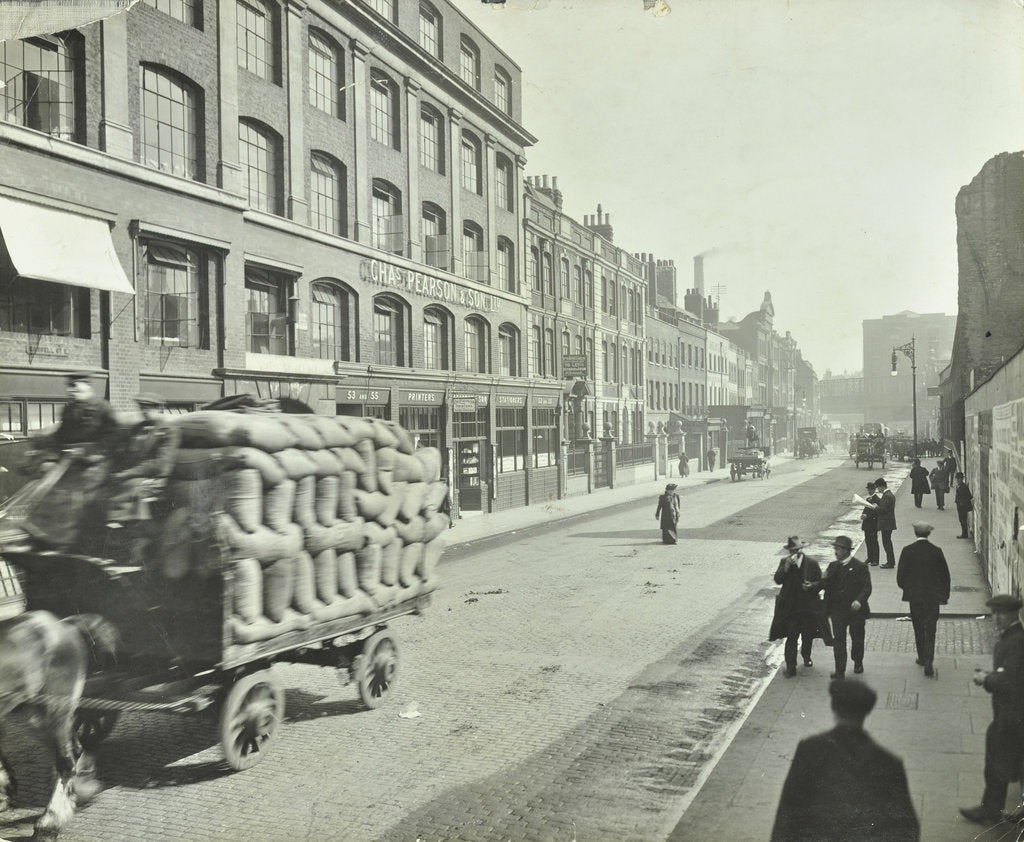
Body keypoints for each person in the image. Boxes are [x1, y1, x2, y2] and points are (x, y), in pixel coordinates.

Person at [771, 679, 919, 842]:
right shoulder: (889, 763)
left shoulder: (810, 750)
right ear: (866, 712)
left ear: (833, 706)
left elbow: (787, 812)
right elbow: (906, 827)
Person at [960, 594, 1024, 825]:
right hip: (1009, 714)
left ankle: (990, 811)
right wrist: (991, 674)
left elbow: (1010, 681)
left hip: (1011, 716)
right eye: (994, 613)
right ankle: (994, 808)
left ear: (1013, 614)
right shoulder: (1010, 638)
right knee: (1005, 763)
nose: (996, 618)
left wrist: (985, 680)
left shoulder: (1015, 641)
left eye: (1001, 613)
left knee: (998, 764)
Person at [106, 393, 180, 523]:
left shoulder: (168, 431)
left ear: (159, 409)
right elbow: (124, 453)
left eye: (149, 408)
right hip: (134, 475)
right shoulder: (137, 428)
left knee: (129, 488)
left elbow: (160, 464)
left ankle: (131, 528)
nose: (144, 411)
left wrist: (127, 474)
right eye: (142, 407)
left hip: (156, 479)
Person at [769, 536, 831, 677]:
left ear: (801, 550)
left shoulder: (811, 564)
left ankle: (806, 656)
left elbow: (821, 583)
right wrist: (785, 568)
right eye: (792, 551)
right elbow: (778, 580)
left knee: (807, 635)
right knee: (791, 636)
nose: (794, 553)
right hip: (791, 608)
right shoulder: (784, 562)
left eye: (796, 550)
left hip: (808, 607)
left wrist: (812, 586)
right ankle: (791, 666)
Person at [895, 522, 951, 676]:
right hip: (932, 598)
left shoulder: (907, 551)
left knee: (918, 627)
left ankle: (921, 657)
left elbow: (900, 577)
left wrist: (909, 590)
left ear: (915, 534)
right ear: (928, 534)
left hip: (915, 598)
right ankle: (929, 661)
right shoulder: (936, 551)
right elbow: (945, 577)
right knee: (931, 629)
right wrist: (944, 596)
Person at [822, 535, 872, 678]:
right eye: (835, 549)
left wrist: (859, 600)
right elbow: (825, 584)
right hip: (837, 611)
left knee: (857, 639)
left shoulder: (860, 567)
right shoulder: (833, 566)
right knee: (839, 642)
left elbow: (867, 587)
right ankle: (840, 671)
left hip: (855, 611)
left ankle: (857, 662)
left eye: (837, 549)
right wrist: (818, 582)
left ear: (845, 550)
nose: (835, 552)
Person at [50, 370, 119, 449]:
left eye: (73, 385)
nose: (69, 390)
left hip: (95, 457)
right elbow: (61, 435)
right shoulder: (67, 410)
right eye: (68, 386)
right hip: (69, 455)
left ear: (87, 385)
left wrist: (92, 451)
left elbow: (114, 434)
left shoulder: (103, 407)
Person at [862, 477, 897, 568]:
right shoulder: (889, 495)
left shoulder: (887, 495)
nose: (878, 490)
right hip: (888, 523)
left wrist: (875, 507)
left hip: (886, 523)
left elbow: (883, 510)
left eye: (878, 488)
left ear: (882, 487)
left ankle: (890, 562)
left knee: (887, 544)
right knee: (887, 543)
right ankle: (890, 561)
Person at [860, 480, 880, 566]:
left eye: (871, 489)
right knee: (868, 542)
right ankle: (870, 558)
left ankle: (875, 559)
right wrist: (863, 514)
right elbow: (866, 510)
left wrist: (867, 516)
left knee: (874, 542)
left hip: (873, 524)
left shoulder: (877, 500)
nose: (869, 491)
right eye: (868, 489)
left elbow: (876, 513)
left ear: (874, 490)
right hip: (867, 524)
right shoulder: (868, 499)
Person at [955, 472, 974, 539]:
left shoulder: (964, 487)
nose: (957, 480)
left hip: (962, 506)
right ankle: (964, 533)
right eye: (957, 479)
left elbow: (969, 496)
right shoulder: (960, 486)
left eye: (959, 479)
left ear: (961, 479)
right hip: (960, 506)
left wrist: (962, 503)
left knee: (963, 520)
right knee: (961, 520)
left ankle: (964, 534)